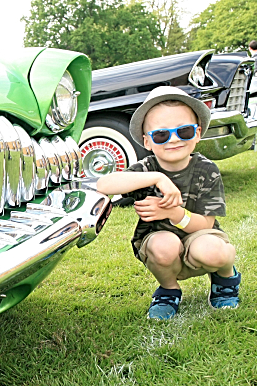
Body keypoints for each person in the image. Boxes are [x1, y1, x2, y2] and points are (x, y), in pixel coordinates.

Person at [96, 86, 240, 320]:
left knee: (212, 251)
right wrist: (158, 178)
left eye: (183, 131)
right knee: (163, 246)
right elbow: (104, 185)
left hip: (201, 236)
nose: (173, 139)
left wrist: (174, 212)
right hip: (162, 243)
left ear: (198, 133)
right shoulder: (147, 169)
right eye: (161, 134)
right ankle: (168, 290)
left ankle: (226, 277)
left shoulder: (206, 170)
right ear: (148, 141)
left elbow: (205, 225)